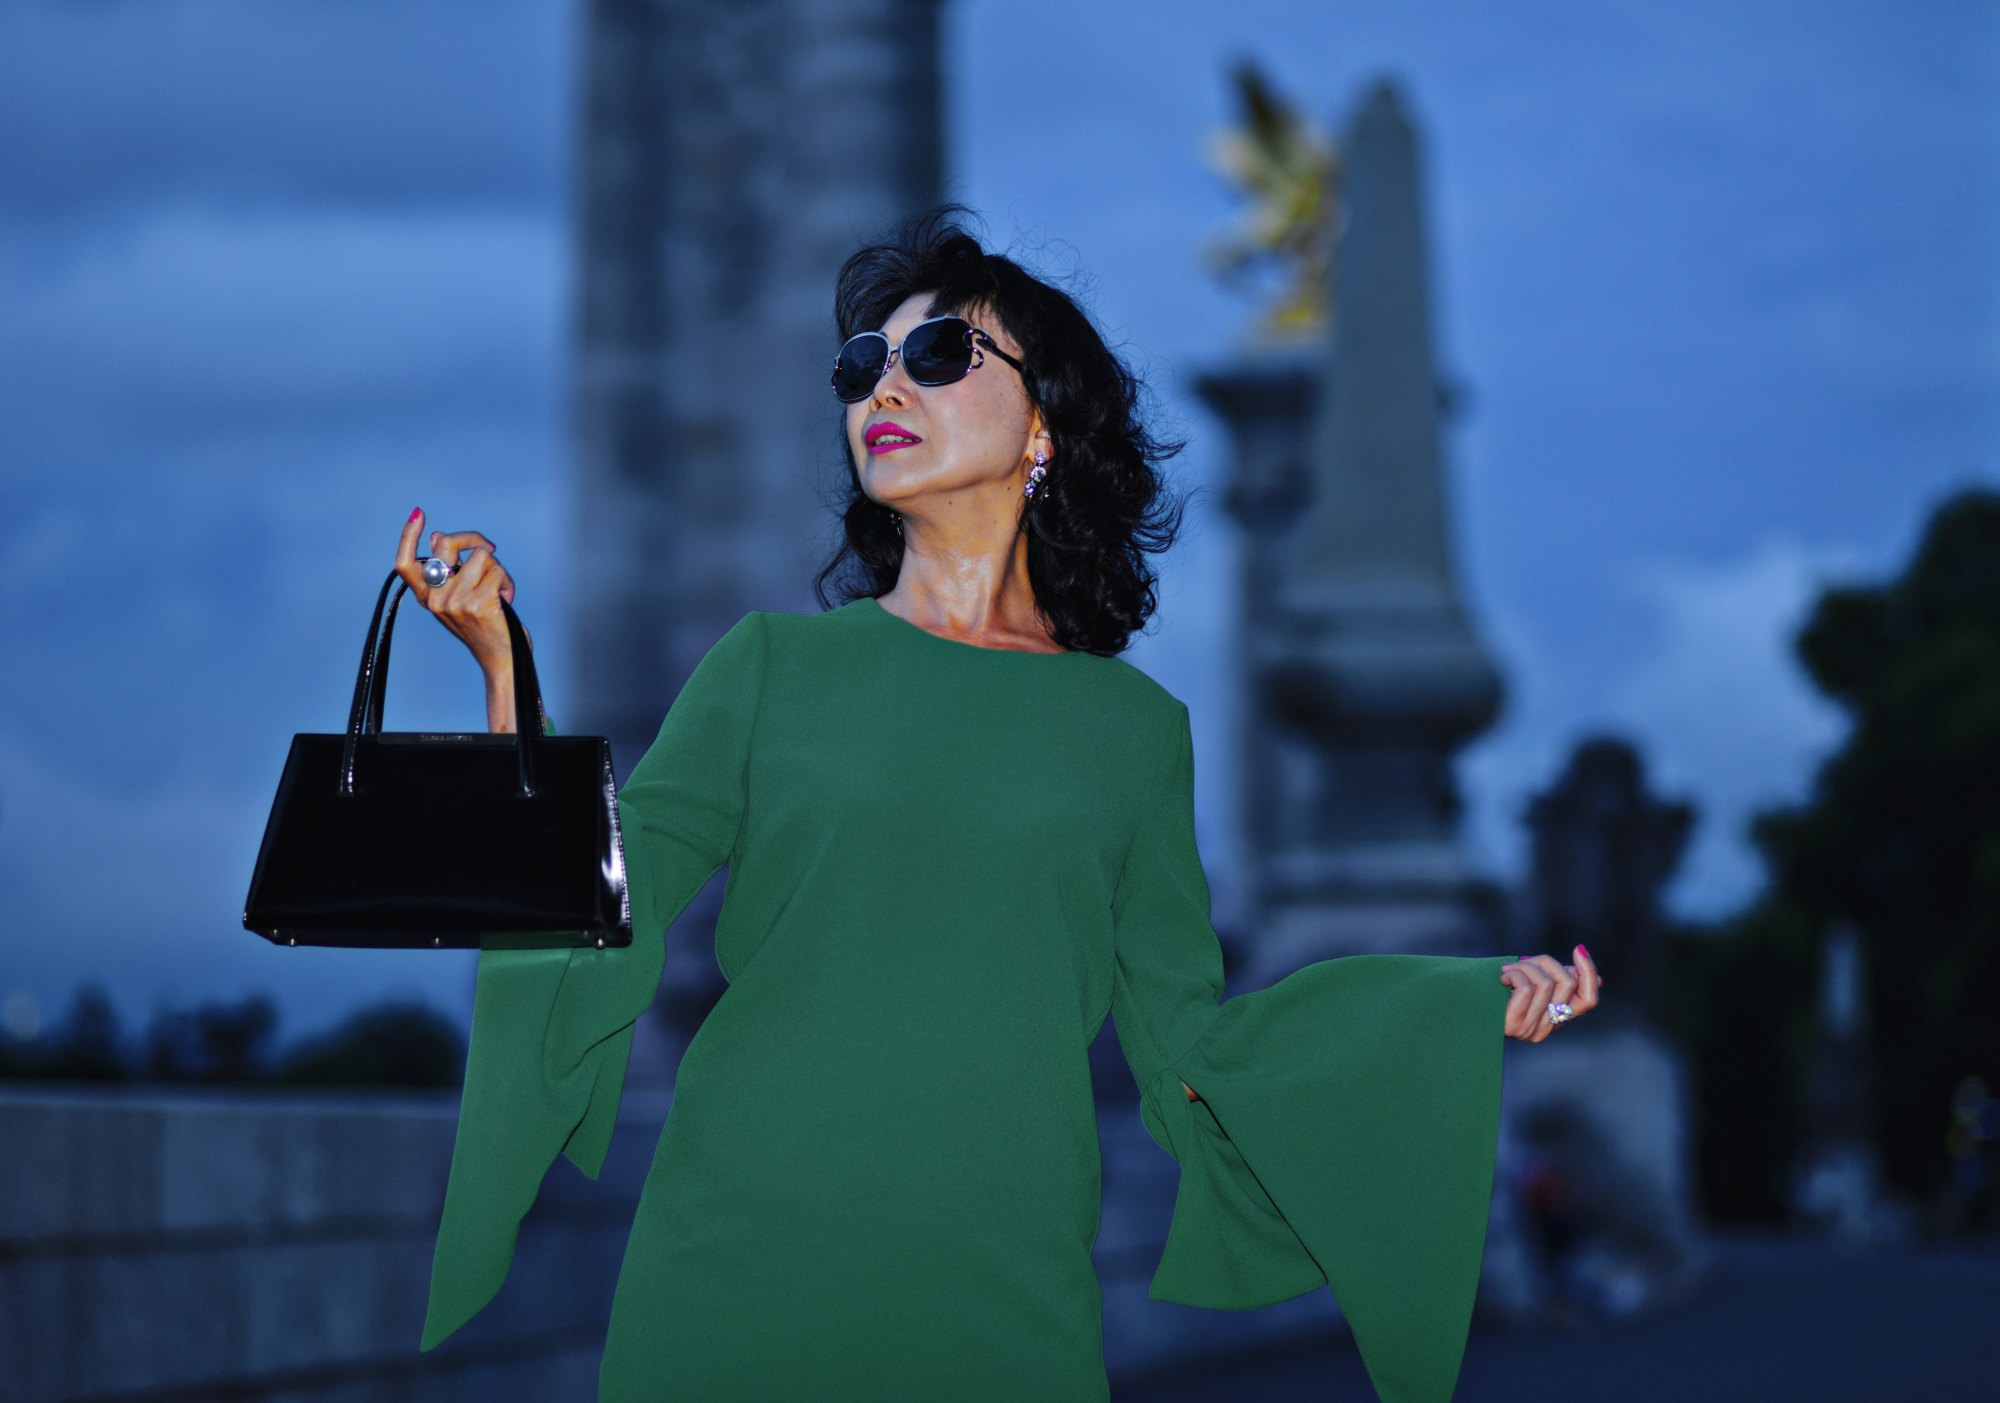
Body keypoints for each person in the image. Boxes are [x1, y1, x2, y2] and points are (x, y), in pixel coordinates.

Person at [397, 206, 1603, 1403]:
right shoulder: (768, 668)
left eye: (937, 356)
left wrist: (1443, 1012)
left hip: (1000, 1299)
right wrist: (504, 671)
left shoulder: (1132, 735)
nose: (883, 386)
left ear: (1044, 426)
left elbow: (1193, 1048)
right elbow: (591, 897)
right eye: (861, 363)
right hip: (730, 1274)